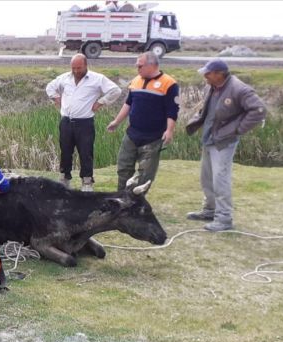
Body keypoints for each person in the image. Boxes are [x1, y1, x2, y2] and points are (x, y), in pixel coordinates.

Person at [185, 59, 266, 232]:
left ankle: (224, 219)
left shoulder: (239, 89)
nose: (205, 76)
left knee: (220, 179)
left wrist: (237, 129)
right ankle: (209, 210)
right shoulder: (212, 86)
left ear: (219, 74)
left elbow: (259, 110)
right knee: (206, 178)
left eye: (208, 73)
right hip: (209, 139)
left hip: (223, 142)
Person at [46, 53, 122, 191]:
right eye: (73, 68)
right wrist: (55, 97)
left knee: (86, 153)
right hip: (66, 122)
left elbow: (116, 90)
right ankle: (64, 179)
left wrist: (101, 102)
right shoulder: (64, 78)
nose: (76, 71)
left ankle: (87, 182)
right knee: (65, 152)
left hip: (85, 123)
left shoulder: (97, 79)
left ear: (86, 65)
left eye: (79, 68)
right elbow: (49, 87)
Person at [106, 52, 179, 192]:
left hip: (153, 137)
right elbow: (128, 104)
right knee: (123, 167)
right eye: (136, 66)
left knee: (145, 174)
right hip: (132, 134)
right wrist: (116, 121)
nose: (137, 69)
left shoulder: (169, 83)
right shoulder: (135, 81)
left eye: (140, 66)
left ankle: (137, 204)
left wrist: (169, 130)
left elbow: (173, 109)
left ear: (152, 65)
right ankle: (121, 198)